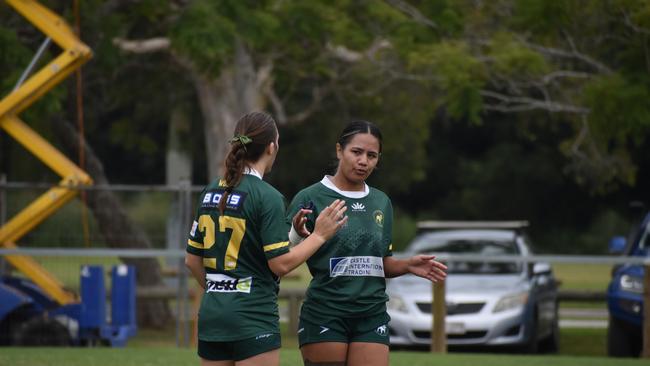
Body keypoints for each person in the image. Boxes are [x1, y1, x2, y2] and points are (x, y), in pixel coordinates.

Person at [185, 111, 348, 366]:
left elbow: (192, 261)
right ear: (272, 147)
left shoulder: (210, 191)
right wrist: (319, 235)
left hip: (212, 315)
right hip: (253, 316)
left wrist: (220, 292)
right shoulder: (267, 196)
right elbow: (280, 264)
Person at [286, 120, 448, 366]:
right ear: (340, 150)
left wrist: (406, 266)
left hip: (371, 315)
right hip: (326, 313)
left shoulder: (381, 202)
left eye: (372, 155)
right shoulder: (310, 197)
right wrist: (298, 235)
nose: (363, 161)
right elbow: (283, 257)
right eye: (357, 152)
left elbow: (379, 263)